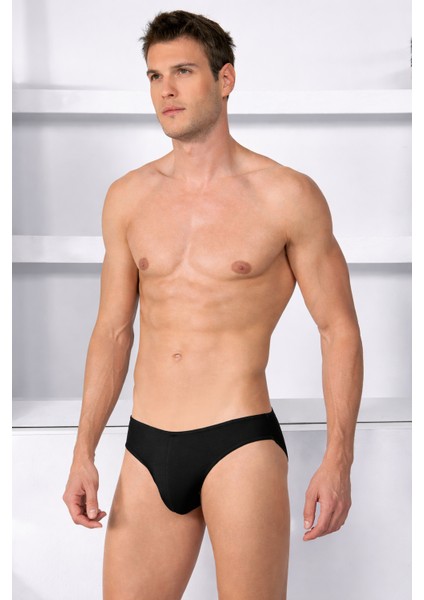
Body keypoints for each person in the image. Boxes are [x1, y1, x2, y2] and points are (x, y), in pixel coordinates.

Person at [63, 10, 363, 600]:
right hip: (147, 444)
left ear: (225, 79)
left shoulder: (286, 195)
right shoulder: (128, 197)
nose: (166, 90)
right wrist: (83, 451)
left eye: (182, 71)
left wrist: (338, 459)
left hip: (240, 443)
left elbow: (339, 329)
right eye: (154, 76)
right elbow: (113, 331)